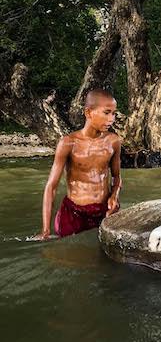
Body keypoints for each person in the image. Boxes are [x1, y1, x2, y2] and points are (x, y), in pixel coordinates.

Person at [34, 89, 122, 239]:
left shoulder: (113, 141)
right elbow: (51, 186)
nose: (111, 119)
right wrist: (45, 230)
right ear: (88, 113)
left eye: (113, 113)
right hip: (73, 213)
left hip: (103, 212)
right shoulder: (68, 143)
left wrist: (114, 196)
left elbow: (117, 177)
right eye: (106, 113)